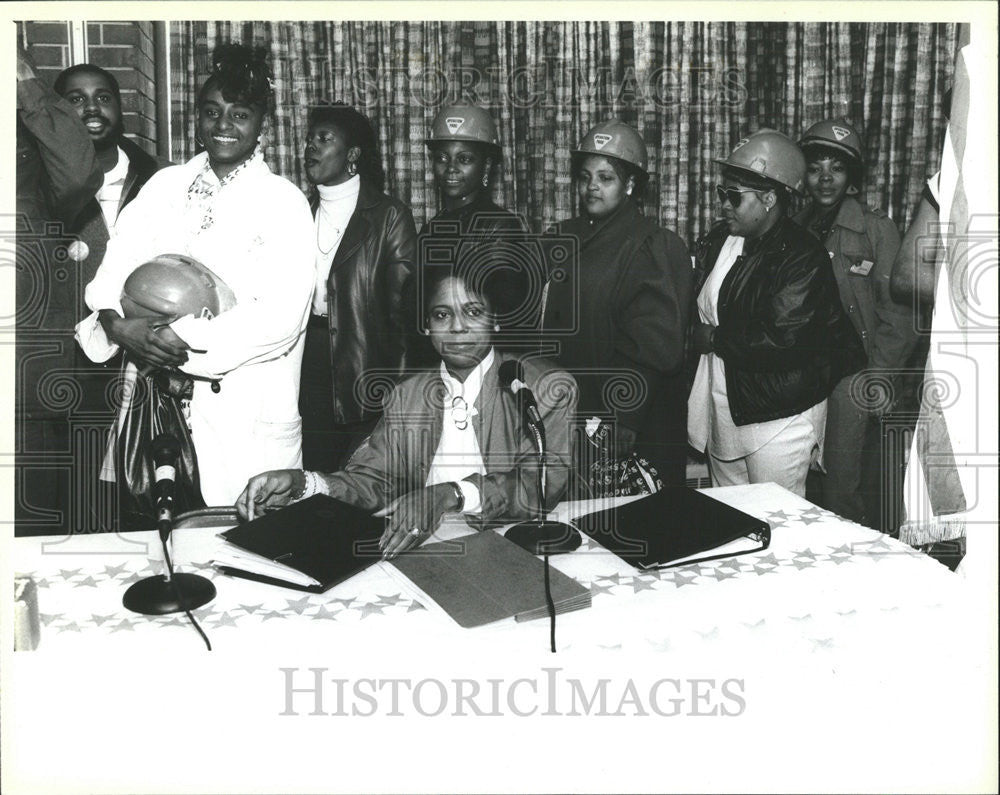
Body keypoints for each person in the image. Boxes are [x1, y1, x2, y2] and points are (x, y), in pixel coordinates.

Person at [75, 43, 315, 506]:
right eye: (212, 112)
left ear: (262, 122)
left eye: (239, 114)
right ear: (198, 120)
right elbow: (112, 272)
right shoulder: (166, 186)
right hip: (154, 408)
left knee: (245, 550)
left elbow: (281, 320)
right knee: (161, 542)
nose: (224, 125)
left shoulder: (283, 201)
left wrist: (171, 341)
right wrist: (118, 325)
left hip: (244, 414)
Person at [236, 261, 578, 559]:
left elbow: (539, 486)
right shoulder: (407, 396)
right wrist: (303, 484)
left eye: (473, 312)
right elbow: (373, 481)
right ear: (426, 326)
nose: (457, 327)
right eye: (442, 315)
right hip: (425, 547)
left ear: (497, 321)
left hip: (517, 543)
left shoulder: (543, 387)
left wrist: (450, 495)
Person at [687, 129, 865, 498]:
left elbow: (782, 338)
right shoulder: (723, 239)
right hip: (726, 405)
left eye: (734, 197)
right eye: (722, 193)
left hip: (778, 415)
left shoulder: (802, 255)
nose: (724, 204)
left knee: (779, 521)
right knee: (730, 519)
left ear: (769, 198)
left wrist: (714, 338)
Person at [541, 120, 692, 489]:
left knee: (628, 528)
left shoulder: (655, 244)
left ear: (629, 185)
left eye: (605, 177)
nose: (592, 185)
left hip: (627, 420)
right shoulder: (559, 237)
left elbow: (656, 344)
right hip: (565, 408)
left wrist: (624, 417)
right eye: (585, 175)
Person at [793, 119, 913, 526]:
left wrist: (881, 375)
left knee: (843, 488)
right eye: (815, 167)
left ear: (852, 176)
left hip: (855, 375)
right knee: (802, 479)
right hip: (805, 373)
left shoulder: (876, 229)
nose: (825, 178)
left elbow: (900, 314)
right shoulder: (793, 229)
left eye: (837, 168)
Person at [15, 46, 104, 536]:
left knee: (29, 538)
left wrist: (23, 79)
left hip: (23, 382)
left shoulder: (29, 140)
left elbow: (76, 169)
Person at [300, 102, 417, 471]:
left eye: (323, 139)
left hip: (363, 366)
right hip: (306, 364)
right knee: (314, 481)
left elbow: (404, 315)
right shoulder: (296, 211)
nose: (311, 147)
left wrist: (396, 394)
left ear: (352, 155)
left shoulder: (389, 216)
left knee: (360, 483)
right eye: (308, 139)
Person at [54, 64, 168, 289]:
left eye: (104, 98)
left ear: (119, 108)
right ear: (58, 112)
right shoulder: (41, 183)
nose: (92, 108)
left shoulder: (162, 175)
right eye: (76, 100)